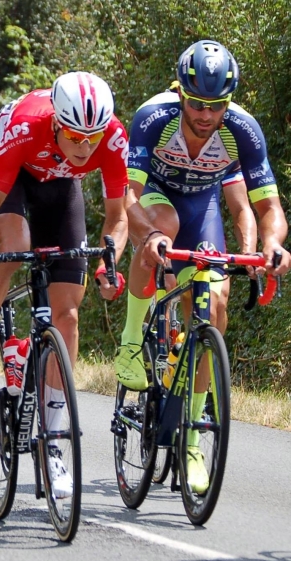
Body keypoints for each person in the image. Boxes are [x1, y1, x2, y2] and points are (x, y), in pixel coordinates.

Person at [0, 72, 169, 498]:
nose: (84, 147)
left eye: (92, 138)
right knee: (14, 246)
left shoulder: (111, 137)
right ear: (58, 122)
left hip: (60, 188)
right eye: (75, 136)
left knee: (68, 317)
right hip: (15, 173)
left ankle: (54, 443)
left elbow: (117, 216)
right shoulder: (27, 126)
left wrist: (109, 263)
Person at [115, 40, 290, 493]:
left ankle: (192, 438)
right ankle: (132, 340)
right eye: (196, 103)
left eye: (216, 105)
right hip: (156, 197)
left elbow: (266, 206)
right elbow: (127, 196)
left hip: (202, 207)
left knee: (214, 304)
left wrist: (271, 244)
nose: (206, 114)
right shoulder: (154, 118)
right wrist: (148, 235)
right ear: (180, 92)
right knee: (162, 225)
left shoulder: (243, 129)